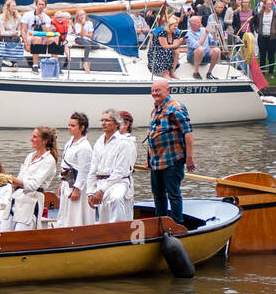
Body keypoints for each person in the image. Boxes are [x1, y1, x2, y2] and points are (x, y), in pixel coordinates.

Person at [146, 79, 195, 224]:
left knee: (173, 195)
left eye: (158, 90)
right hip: (156, 161)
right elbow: (152, 134)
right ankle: (160, 224)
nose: (155, 93)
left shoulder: (176, 108)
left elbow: (188, 133)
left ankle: (177, 225)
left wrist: (189, 157)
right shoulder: (156, 109)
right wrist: (148, 157)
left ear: (168, 90)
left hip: (173, 159)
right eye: (153, 91)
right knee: (158, 195)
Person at [0, 126, 59, 231]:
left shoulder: (49, 161)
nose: (31, 139)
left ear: (44, 141)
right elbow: (20, 179)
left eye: (35, 137)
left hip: (30, 205)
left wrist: (10, 178)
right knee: (1, 233)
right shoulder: (30, 156)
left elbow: (32, 185)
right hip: (16, 200)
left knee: (19, 239)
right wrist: (3, 180)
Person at [87, 108, 136, 224]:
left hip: (118, 182)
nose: (103, 123)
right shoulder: (99, 142)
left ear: (116, 124)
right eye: (102, 120)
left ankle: (120, 231)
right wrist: (90, 192)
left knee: (116, 198)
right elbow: (93, 169)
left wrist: (101, 191)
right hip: (101, 182)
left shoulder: (124, 142)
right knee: (104, 219)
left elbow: (120, 171)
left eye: (107, 120)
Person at [57, 112, 95, 227]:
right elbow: (64, 164)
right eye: (69, 124)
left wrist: (77, 189)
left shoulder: (85, 147)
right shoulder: (70, 143)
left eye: (73, 125)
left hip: (77, 185)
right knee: (64, 213)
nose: (69, 127)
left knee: (76, 214)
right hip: (66, 182)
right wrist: (61, 182)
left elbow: (84, 171)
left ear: (82, 128)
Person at [184, 14, 222, 79]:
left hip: (205, 55)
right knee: (200, 49)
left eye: (200, 22)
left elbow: (214, 43)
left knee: (217, 50)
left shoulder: (203, 30)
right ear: (192, 25)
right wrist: (206, 34)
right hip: (192, 57)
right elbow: (197, 46)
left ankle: (209, 73)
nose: (200, 24)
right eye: (198, 22)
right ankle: (196, 72)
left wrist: (214, 32)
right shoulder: (189, 35)